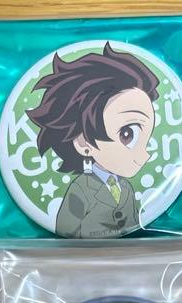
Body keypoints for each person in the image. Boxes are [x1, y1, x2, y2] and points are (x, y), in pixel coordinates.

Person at [26, 43, 158, 238]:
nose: (144, 155)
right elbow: (66, 230)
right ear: (83, 143)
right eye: (128, 134)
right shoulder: (80, 189)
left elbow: (136, 222)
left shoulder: (126, 188)